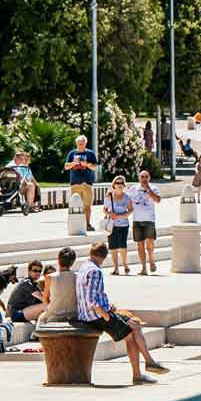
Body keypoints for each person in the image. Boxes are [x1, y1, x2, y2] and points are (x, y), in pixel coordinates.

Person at [78, 241, 166, 383]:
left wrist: (107, 307)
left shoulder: (84, 266)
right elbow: (90, 300)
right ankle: (146, 365)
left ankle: (144, 368)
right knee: (133, 329)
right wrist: (105, 314)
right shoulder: (95, 271)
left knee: (133, 326)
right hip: (97, 316)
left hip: (91, 314)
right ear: (104, 257)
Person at [103, 176, 137, 274]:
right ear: (114, 184)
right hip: (111, 225)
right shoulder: (109, 196)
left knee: (123, 246)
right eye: (117, 183)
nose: (119, 185)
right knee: (113, 247)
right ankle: (116, 268)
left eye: (121, 183)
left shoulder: (127, 197)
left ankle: (125, 265)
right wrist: (110, 214)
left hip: (123, 224)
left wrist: (122, 216)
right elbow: (104, 209)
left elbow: (130, 210)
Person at [5, 261, 49, 326]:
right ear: (29, 271)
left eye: (39, 271)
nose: (37, 273)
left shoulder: (34, 284)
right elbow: (44, 299)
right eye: (35, 270)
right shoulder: (26, 283)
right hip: (15, 315)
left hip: (22, 313)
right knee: (46, 306)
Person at [65, 134, 98, 217]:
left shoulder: (90, 153)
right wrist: (74, 163)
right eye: (79, 143)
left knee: (87, 205)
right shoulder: (72, 153)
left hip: (87, 183)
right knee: (75, 206)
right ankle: (76, 224)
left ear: (85, 143)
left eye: (82, 143)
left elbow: (94, 168)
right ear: (76, 143)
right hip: (75, 183)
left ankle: (87, 224)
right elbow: (66, 167)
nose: (80, 145)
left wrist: (86, 164)